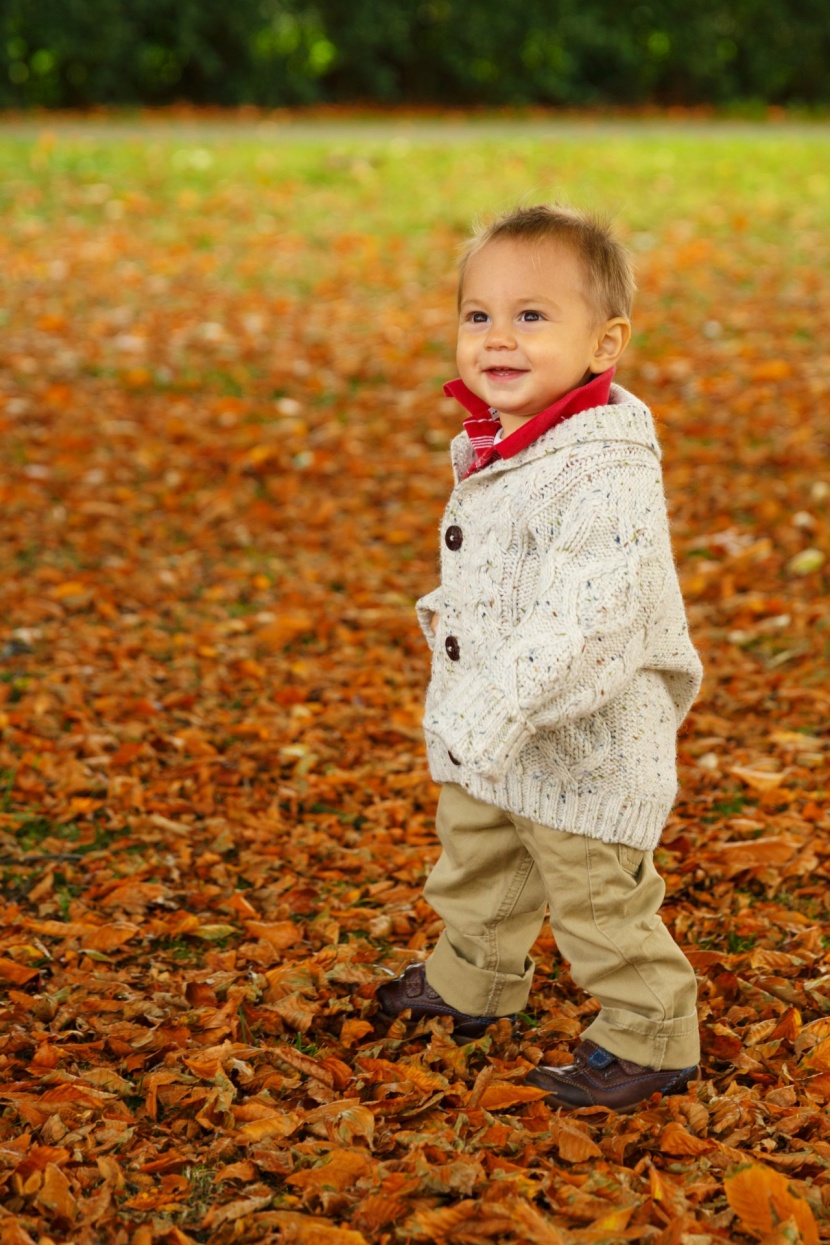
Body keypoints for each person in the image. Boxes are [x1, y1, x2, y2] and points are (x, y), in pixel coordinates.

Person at [376, 203, 704, 1112]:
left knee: (597, 898)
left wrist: (496, 706)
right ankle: (471, 978)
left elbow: (586, 623)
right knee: (478, 859)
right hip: (498, 725)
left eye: (532, 316)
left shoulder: (606, 473)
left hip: (582, 742)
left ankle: (651, 1032)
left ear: (605, 345)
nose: (496, 338)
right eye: (478, 315)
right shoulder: (512, 441)